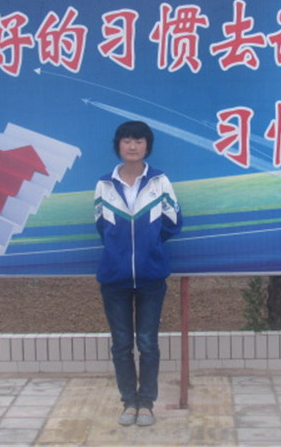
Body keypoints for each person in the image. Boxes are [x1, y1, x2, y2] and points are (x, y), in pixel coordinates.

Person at [94, 120, 183, 427]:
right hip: (113, 279)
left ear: (147, 146)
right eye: (127, 141)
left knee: (147, 342)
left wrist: (149, 247)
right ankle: (128, 402)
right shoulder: (104, 185)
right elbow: (102, 228)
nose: (132, 146)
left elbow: (173, 223)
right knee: (121, 344)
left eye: (139, 141)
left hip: (151, 277)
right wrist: (119, 253)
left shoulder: (159, 181)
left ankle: (146, 403)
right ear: (118, 145)